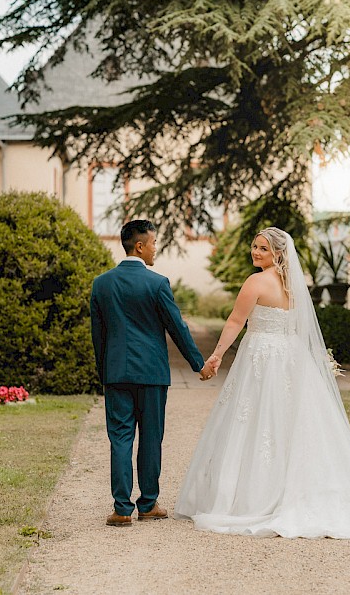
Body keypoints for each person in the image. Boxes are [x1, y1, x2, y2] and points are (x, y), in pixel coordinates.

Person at [174, 227, 350, 540]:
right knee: (294, 422)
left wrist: (217, 355)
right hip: (292, 356)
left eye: (262, 248)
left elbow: (235, 321)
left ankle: (252, 496)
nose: (255, 252)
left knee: (259, 419)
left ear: (278, 253)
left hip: (262, 356)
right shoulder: (294, 285)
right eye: (254, 246)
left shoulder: (256, 282)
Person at [90, 219, 219, 527]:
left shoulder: (101, 284)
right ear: (140, 246)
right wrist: (198, 364)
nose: (155, 249)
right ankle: (148, 504)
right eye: (153, 243)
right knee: (150, 438)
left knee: (120, 438)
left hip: (116, 373)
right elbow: (177, 327)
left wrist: (103, 372)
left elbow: (98, 335)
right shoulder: (157, 283)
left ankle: (122, 508)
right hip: (151, 374)